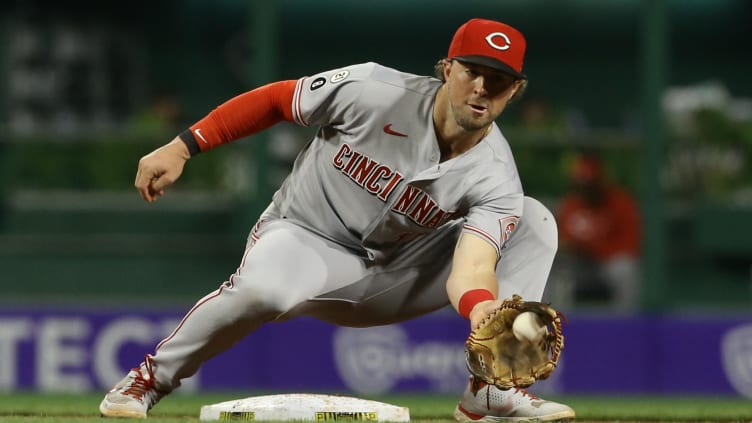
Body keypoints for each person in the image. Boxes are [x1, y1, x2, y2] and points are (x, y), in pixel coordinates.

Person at [99, 18, 575, 421]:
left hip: (396, 274)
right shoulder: (373, 89)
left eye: (498, 80)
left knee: (534, 219)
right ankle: (147, 381)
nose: (481, 88)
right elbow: (275, 101)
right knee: (263, 291)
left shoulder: (496, 175)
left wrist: (480, 309)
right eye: (473, 71)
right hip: (305, 238)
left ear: (514, 90)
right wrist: (185, 145)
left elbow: (471, 267)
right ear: (447, 69)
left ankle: (488, 388)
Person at [555, 153, 642, 310]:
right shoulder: (570, 204)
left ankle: (627, 325)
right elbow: (564, 240)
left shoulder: (621, 202)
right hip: (579, 264)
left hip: (608, 263)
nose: (585, 188)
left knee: (626, 270)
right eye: (581, 183)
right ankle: (553, 324)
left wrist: (593, 249)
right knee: (555, 271)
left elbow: (630, 246)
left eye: (590, 183)